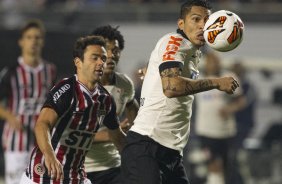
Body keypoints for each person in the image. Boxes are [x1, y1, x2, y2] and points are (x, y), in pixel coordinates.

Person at [120, 1, 240, 184]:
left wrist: (151, 71)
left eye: (207, 20)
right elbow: (171, 87)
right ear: (181, 24)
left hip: (171, 152)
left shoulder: (193, 51)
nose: (202, 25)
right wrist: (216, 83)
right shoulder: (176, 41)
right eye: (196, 19)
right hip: (148, 147)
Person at [19, 35, 126, 184]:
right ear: (78, 62)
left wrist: (137, 156)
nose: (101, 62)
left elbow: (117, 137)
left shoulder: (105, 99)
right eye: (94, 58)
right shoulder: (67, 90)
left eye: (103, 58)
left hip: (76, 177)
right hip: (43, 175)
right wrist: (50, 155)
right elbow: (42, 124)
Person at [0, 19, 57, 184]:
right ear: (21, 42)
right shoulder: (11, 72)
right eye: (29, 37)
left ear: (43, 41)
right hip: (16, 141)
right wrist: (10, 117)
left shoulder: (50, 70)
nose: (33, 41)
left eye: (37, 37)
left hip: (43, 142)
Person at [84, 25, 139, 184]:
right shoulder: (77, 87)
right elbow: (70, 135)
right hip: (79, 168)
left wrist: (136, 129)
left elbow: (132, 108)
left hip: (113, 166)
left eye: (115, 50)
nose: (111, 55)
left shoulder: (124, 84)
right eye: (105, 50)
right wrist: (115, 133)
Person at [194, 52, 246, 184]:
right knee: (213, 165)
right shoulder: (199, 79)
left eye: (216, 62)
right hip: (206, 132)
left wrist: (229, 109)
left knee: (227, 168)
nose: (213, 65)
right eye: (210, 62)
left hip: (226, 132)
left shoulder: (228, 78)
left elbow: (241, 101)